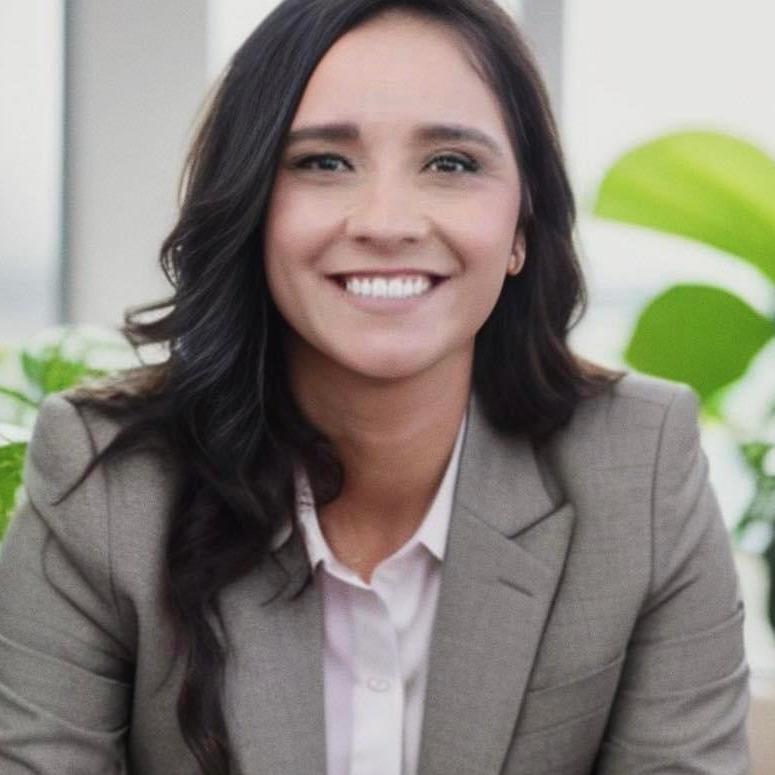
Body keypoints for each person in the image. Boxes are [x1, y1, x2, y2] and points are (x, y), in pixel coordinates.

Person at [0, 0, 750, 773]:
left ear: (522, 224)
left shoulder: (640, 466)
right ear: (254, 204)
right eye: (323, 161)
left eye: (451, 163)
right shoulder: (105, 481)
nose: (386, 220)